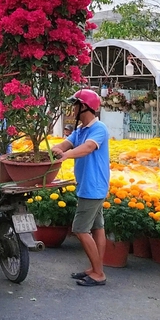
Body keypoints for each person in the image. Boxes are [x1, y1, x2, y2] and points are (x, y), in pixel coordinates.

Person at [51, 89, 110, 287]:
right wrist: (57, 149)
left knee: (80, 229)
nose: (72, 109)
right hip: (89, 186)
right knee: (97, 227)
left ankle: (99, 274)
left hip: (93, 187)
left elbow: (88, 148)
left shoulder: (98, 129)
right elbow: (65, 144)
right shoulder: (80, 131)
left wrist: (66, 155)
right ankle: (95, 268)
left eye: (75, 105)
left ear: (84, 107)